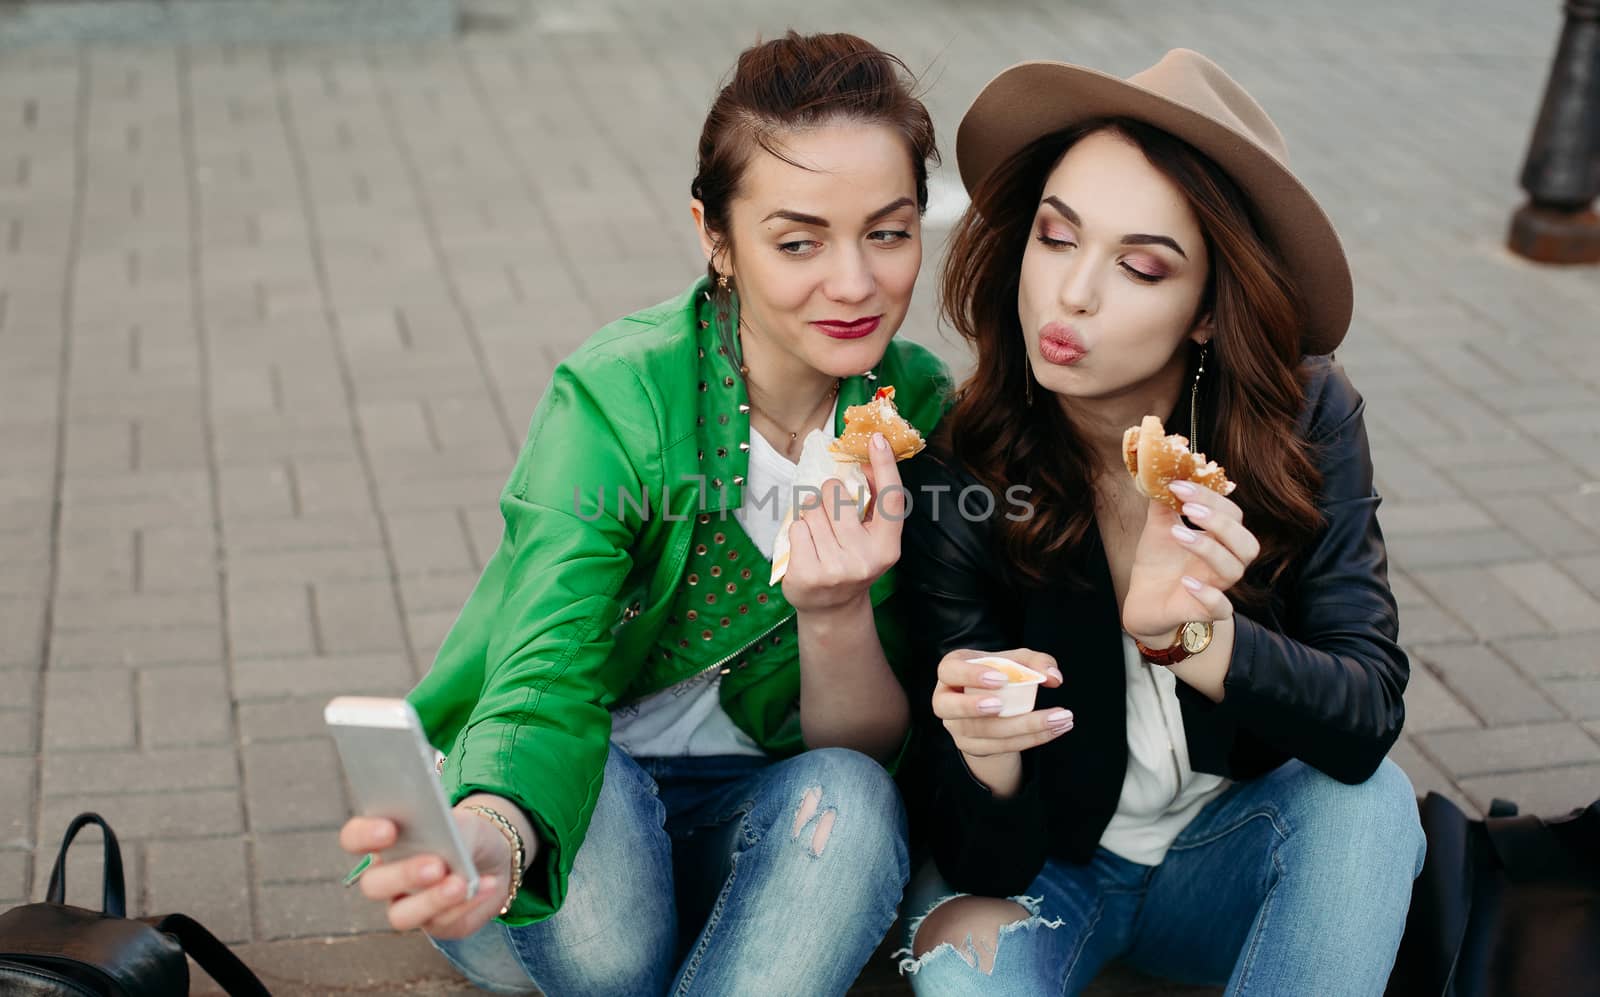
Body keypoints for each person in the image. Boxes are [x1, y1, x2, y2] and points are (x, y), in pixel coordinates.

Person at [337, 31, 951, 995]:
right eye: (798, 241)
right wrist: (496, 831)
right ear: (715, 235)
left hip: (752, 829)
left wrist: (834, 614)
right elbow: (545, 671)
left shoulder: (915, 414)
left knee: (859, 805)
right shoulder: (617, 397)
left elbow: (859, 753)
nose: (855, 282)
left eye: (889, 230)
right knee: (616, 946)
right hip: (571, 813)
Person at [893, 49, 1425, 996]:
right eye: (1056, 239)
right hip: (1051, 872)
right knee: (959, 972)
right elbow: (983, 859)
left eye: (1140, 265)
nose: (1074, 293)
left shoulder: (1302, 420)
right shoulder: (961, 469)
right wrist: (985, 762)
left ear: (1210, 312)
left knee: (1372, 811)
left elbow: (1366, 712)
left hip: (1233, 852)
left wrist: (1200, 639)